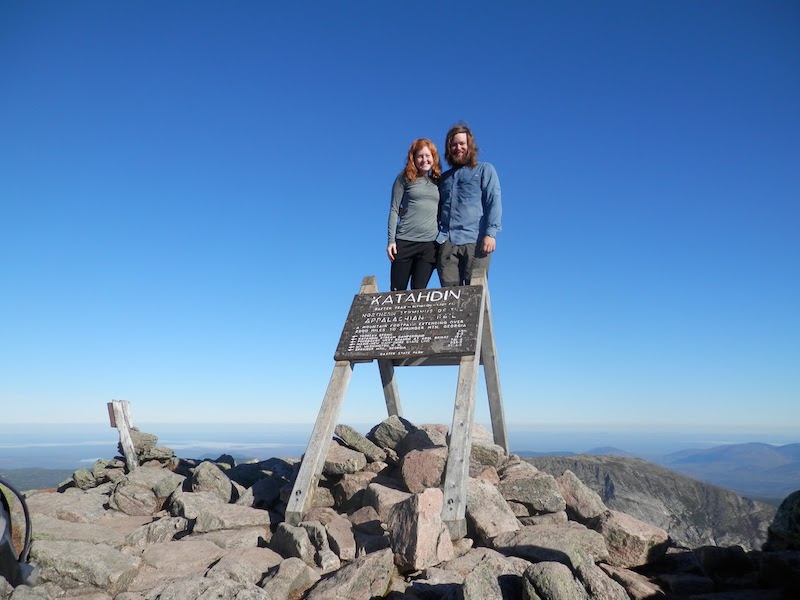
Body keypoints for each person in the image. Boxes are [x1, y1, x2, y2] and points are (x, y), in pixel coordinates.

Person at [436, 124, 502, 286]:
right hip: (447, 243)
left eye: (462, 144)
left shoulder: (485, 169)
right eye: (453, 145)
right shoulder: (443, 179)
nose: (458, 148)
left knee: (475, 295)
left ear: (470, 146)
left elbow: (493, 201)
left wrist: (491, 234)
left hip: (476, 242)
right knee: (448, 298)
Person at [387, 138, 442, 290]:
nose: (424, 159)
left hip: (429, 244)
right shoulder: (404, 178)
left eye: (428, 155)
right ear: (414, 158)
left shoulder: (438, 181)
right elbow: (394, 209)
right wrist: (391, 241)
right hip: (404, 241)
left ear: (433, 157)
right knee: (397, 293)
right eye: (420, 156)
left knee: (418, 293)